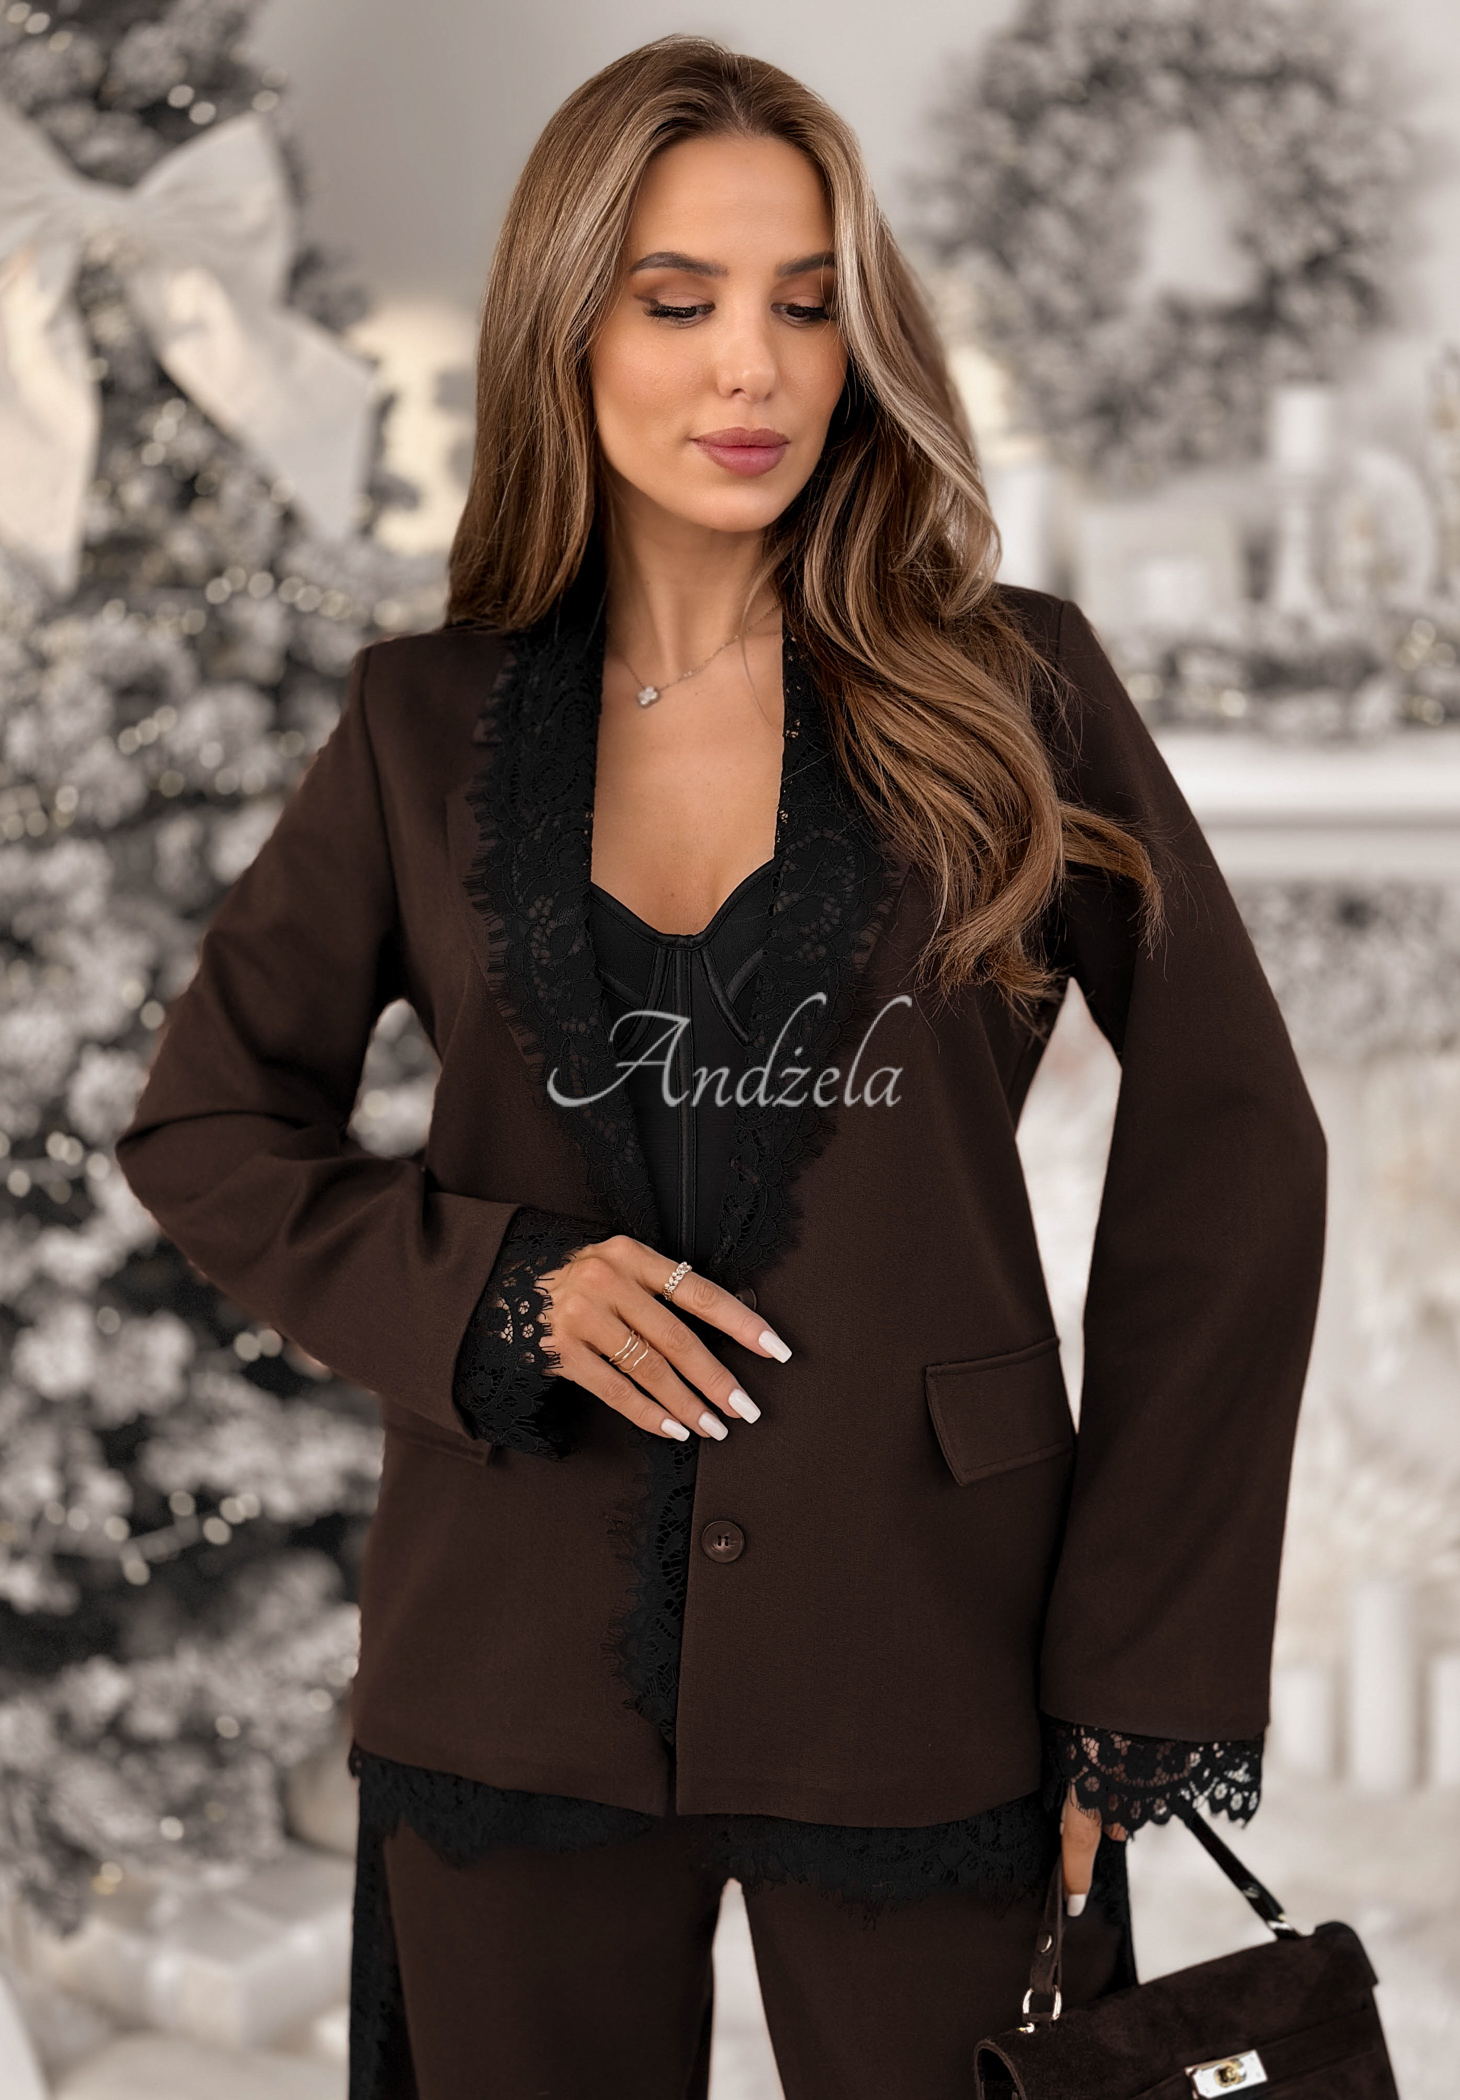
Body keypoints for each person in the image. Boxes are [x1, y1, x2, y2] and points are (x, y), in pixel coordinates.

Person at [116, 35, 1327, 2100]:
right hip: (504, 1660)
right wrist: (501, 1293)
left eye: (805, 303)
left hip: (934, 1645)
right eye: (678, 302)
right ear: (568, 329)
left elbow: (1238, 1149)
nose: (750, 367)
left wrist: (1139, 1667)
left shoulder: (1015, 692)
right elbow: (210, 1123)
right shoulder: (423, 726)